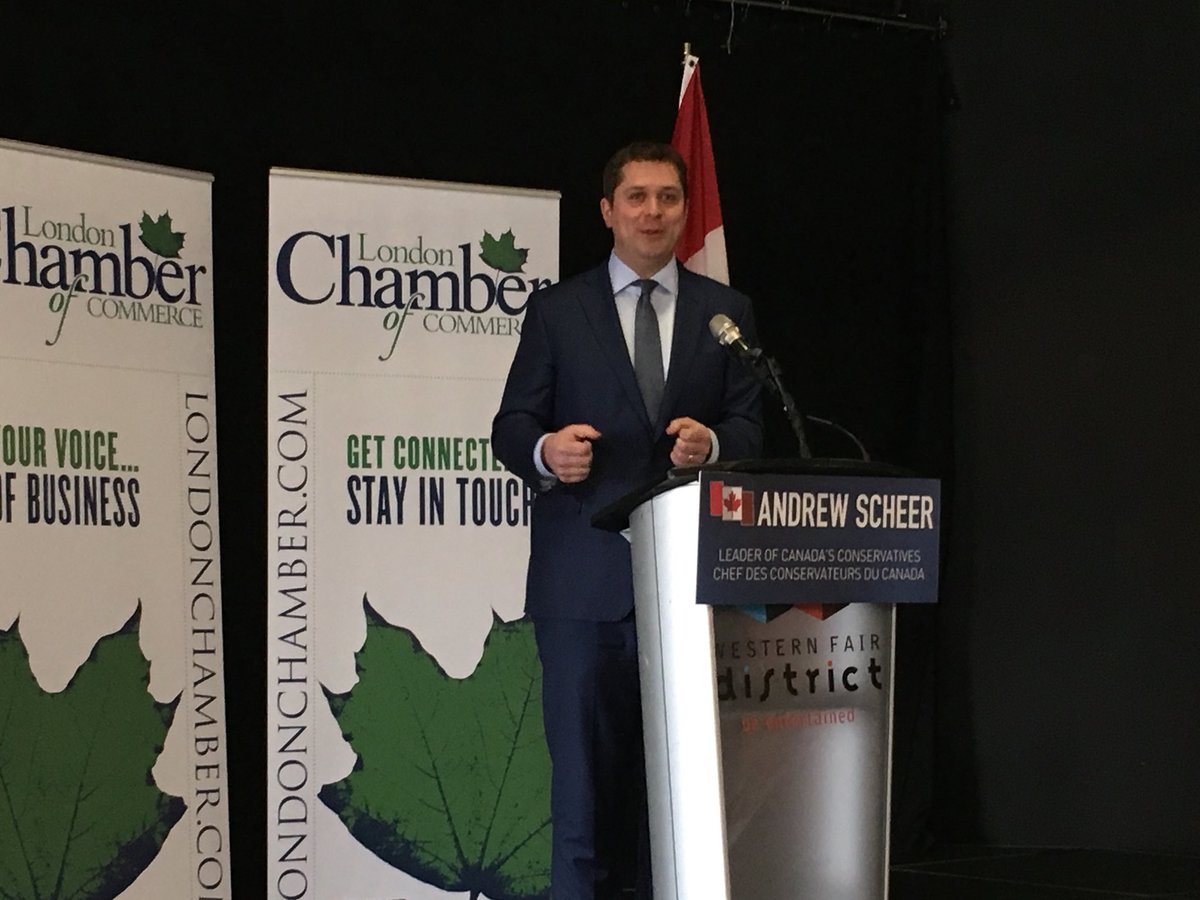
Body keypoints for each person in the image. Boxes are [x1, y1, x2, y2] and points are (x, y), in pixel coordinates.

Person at [491, 141, 763, 899]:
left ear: (685, 210)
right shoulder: (557, 310)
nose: (654, 212)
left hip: (690, 595)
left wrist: (714, 443)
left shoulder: (725, 315)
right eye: (637, 197)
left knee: (678, 801)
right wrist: (546, 451)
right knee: (584, 802)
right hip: (583, 592)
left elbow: (750, 429)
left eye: (669, 198)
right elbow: (512, 424)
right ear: (608, 211)